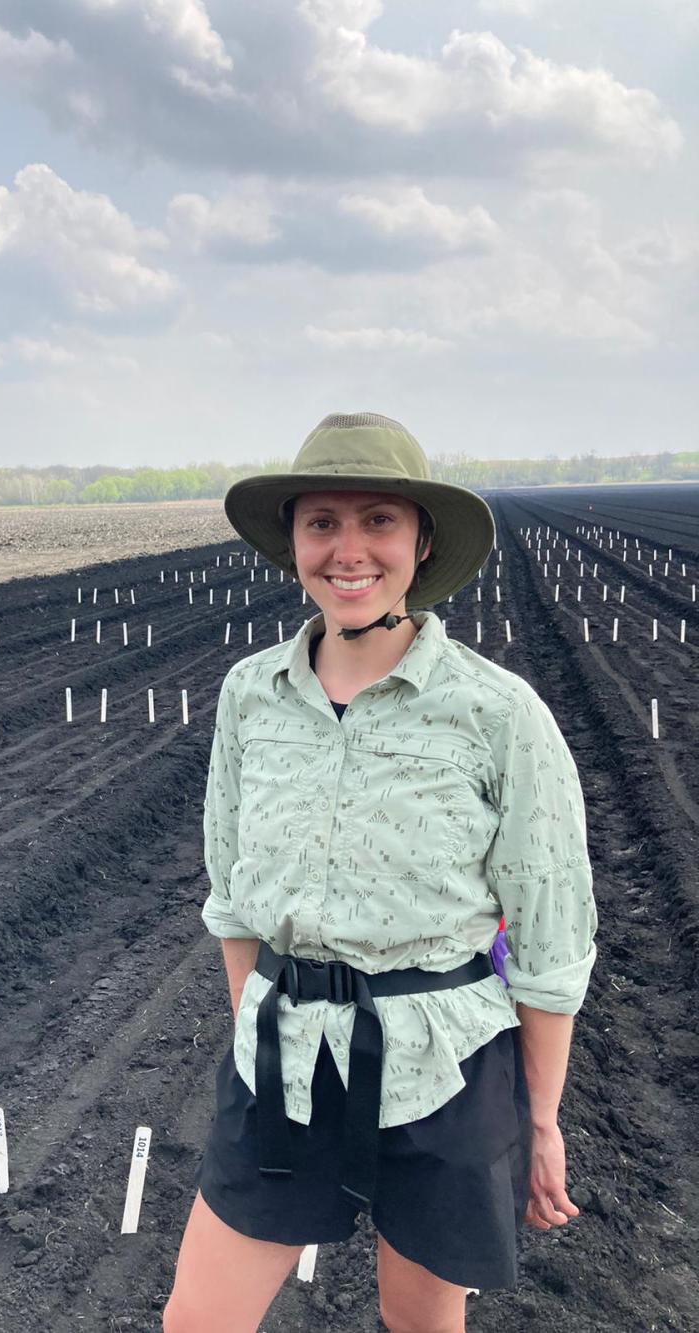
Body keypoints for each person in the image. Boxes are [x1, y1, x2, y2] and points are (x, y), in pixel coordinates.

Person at [163, 412, 598, 1333]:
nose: (348, 549)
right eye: (322, 521)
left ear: (420, 542)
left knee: (421, 1325)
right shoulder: (251, 695)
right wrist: (252, 1027)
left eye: (377, 521)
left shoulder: (496, 712)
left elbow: (552, 938)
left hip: (444, 1071)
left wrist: (542, 1120)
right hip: (282, 1058)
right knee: (196, 1320)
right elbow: (233, 896)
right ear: (293, 542)